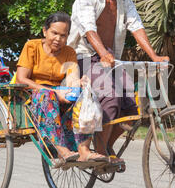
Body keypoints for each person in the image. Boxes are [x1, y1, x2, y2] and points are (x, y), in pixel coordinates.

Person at [67, 0, 169, 171]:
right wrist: (102, 52)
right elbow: (88, 29)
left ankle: (106, 147)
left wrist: (154, 56)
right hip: (84, 57)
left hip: (111, 61)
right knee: (111, 98)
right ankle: (100, 150)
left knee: (133, 107)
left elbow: (136, 26)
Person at [16, 12, 109, 165]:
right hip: (33, 97)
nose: (58, 39)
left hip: (58, 93)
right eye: (54, 33)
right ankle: (60, 149)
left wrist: (80, 83)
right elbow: (22, 78)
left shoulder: (69, 52)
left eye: (63, 35)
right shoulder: (32, 46)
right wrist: (53, 92)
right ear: (45, 31)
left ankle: (84, 150)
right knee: (47, 96)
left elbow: (72, 79)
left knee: (86, 96)